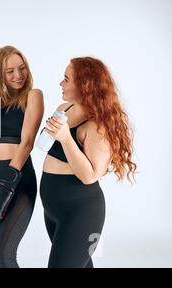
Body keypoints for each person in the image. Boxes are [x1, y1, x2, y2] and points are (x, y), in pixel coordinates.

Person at [40, 56, 137, 268]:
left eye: (66, 79)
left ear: (85, 86)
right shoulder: (64, 108)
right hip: (53, 210)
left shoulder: (98, 126)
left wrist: (65, 137)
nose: (60, 83)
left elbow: (90, 175)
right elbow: (47, 146)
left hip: (80, 212)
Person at [0, 46, 43, 267]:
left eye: (22, 68)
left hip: (18, 177)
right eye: (10, 71)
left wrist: (7, 179)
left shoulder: (33, 96)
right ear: (0, 75)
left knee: (6, 252)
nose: (18, 75)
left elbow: (27, 143)